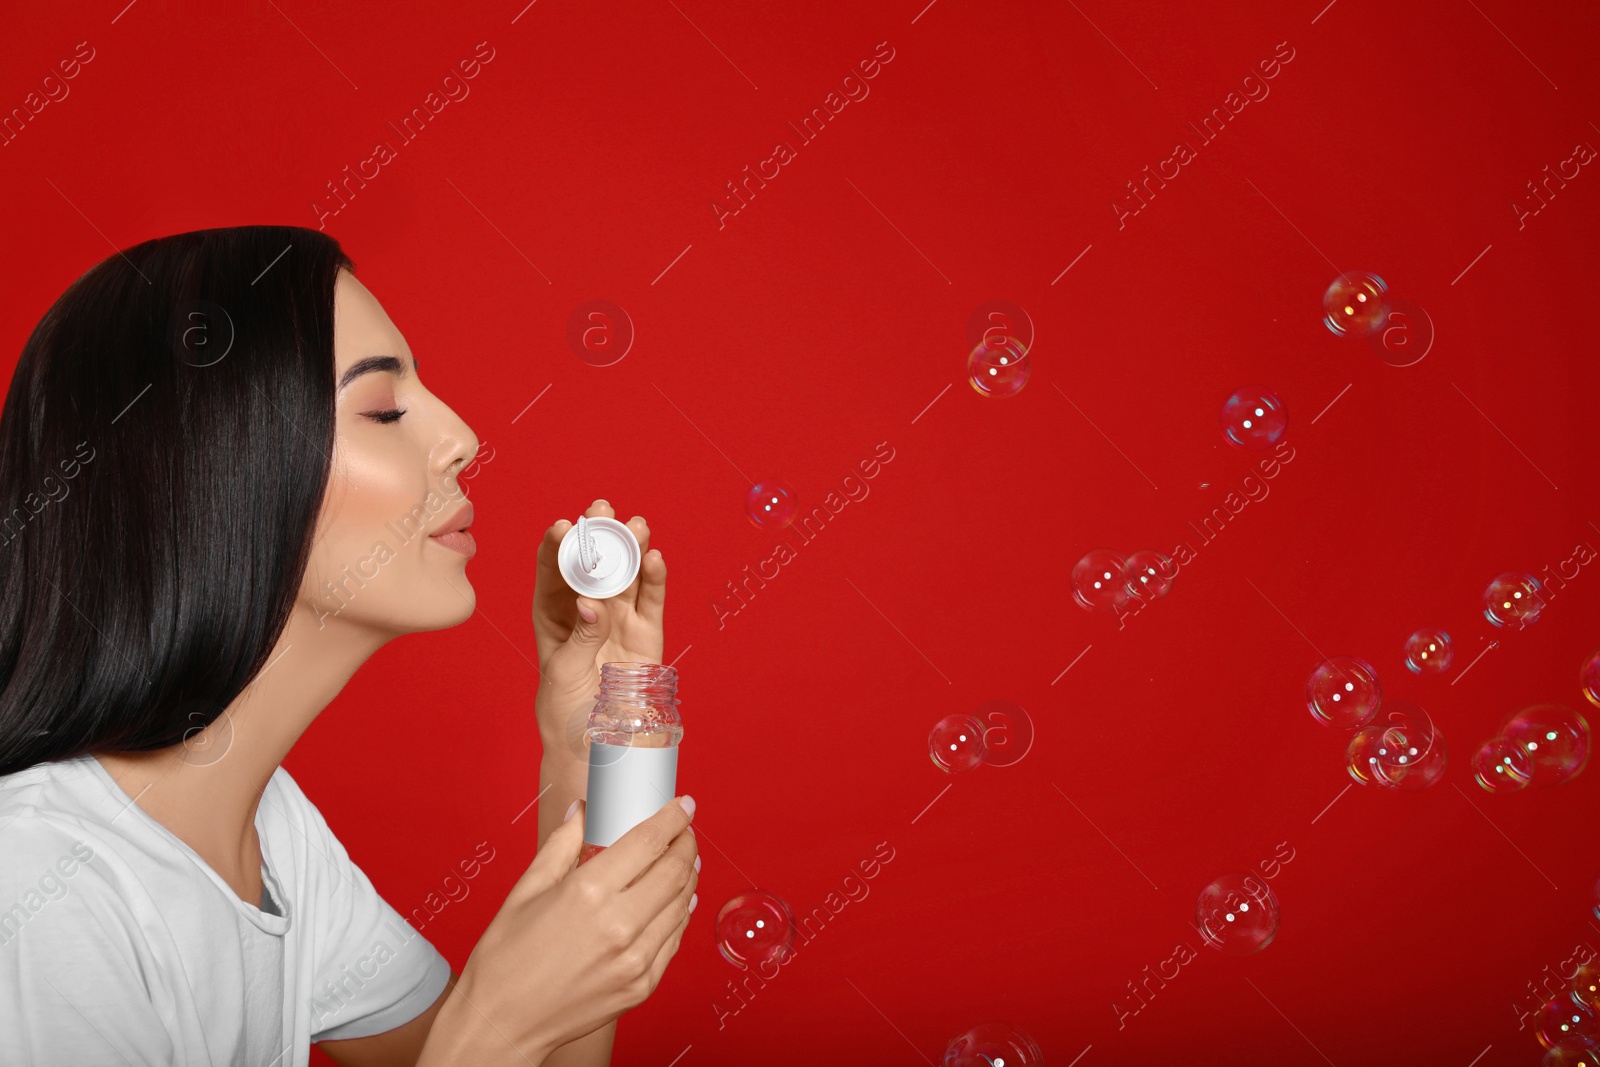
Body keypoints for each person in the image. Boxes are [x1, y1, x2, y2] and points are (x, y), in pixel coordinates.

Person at [0, 225, 698, 1066]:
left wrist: (587, 746)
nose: (464, 437)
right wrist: (495, 1025)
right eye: (383, 409)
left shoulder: (271, 834)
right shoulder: (38, 887)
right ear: (221, 470)